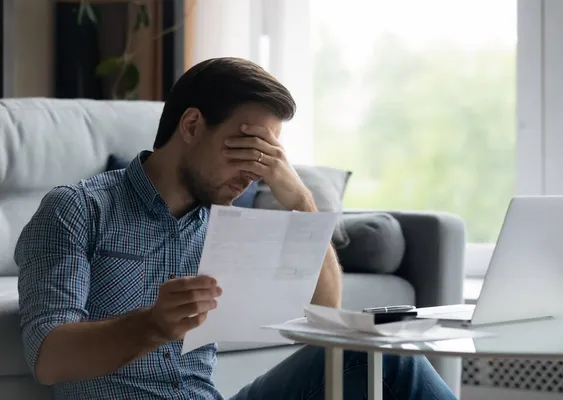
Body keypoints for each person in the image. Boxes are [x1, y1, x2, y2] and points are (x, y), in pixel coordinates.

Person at [15, 57, 457, 400]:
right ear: (191, 126)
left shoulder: (228, 226)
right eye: (246, 147)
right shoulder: (76, 210)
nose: (254, 171)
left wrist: (300, 200)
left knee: (383, 361)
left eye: (268, 155)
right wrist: (152, 324)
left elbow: (329, 316)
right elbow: (49, 358)